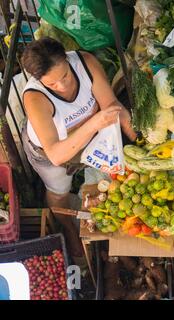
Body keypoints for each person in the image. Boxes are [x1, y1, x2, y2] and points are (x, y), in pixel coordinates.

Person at [21, 37, 137, 258]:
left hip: (91, 136)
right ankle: (69, 230)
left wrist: (138, 142)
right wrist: (94, 123)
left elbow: (112, 106)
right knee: (58, 192)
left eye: (64, 76)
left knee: (110, 177)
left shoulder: (85, 63)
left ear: (67, 58)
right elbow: (56, 154)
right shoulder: (35, 97)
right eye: (52, 84)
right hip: (50, 152)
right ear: (40, 80)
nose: (62, 86)